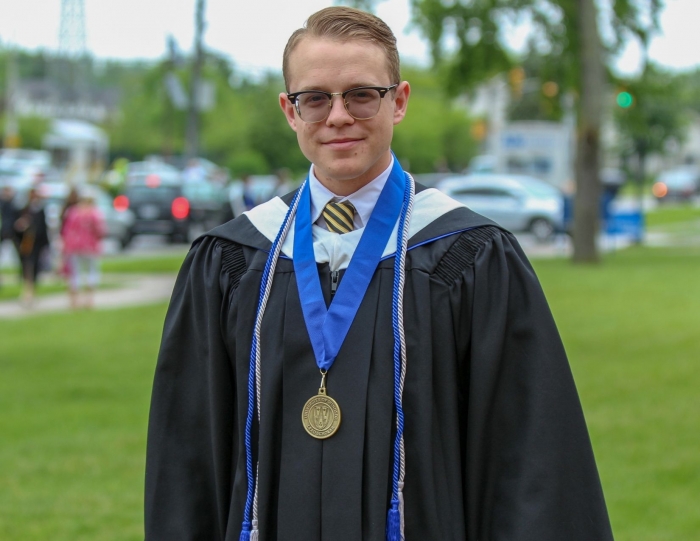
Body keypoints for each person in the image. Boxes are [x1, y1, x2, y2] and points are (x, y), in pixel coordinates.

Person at [145, 7, 613, 541]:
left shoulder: (470, 258)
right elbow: (185, 470)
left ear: (400, 101)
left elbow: (533, 463)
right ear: (289, 111)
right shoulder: (230, 263)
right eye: (315, 98)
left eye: (362, 94)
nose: (338, 115)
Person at [60, 192, 106, 309]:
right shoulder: (94, 213)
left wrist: (65, 245)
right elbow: (100, 231)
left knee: (75, 273)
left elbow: (66, 230)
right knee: (91, 271)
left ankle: (75, 301)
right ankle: (89, 300)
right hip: (90, 247)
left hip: (74, 246)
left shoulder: (73, 212)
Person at [13, 188, 50, 307]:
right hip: (25, 244)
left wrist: (45, 244)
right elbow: (16, 228)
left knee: (34, 268)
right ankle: (27, 293)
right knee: (26, 267)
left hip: (36, 244)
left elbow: (43, 229)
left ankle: (31, 292)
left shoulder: (40, 211)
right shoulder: (23, 210)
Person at [0, 185, 20, 288]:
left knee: (19, 253)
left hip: (12, 231)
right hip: (4, 230)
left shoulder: (13, 203)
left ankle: (21, 274)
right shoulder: (3, 203)